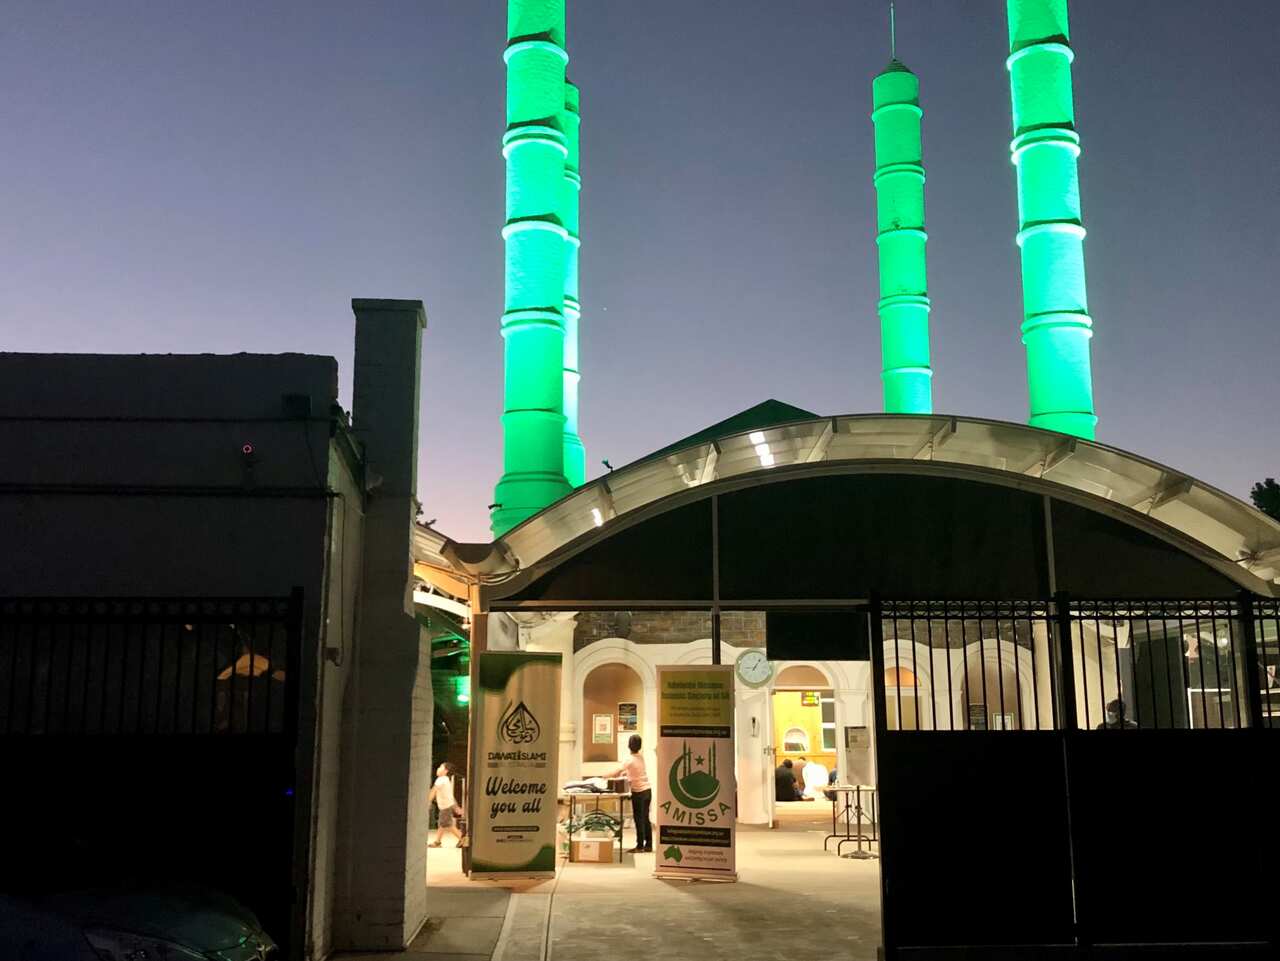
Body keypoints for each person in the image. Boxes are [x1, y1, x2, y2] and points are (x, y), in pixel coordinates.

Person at [603, 734, 652, 853]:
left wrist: (604, 776)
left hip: (639, 793)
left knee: (639, 820)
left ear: (629, 745)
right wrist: (627, 774)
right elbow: (636, 771)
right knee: (645, 819)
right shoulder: (640, 757)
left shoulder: (629, 759)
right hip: (647, 791)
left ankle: (640, 846)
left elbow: (616, 772)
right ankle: (648, 845)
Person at [428, 761, 463, 847]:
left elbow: (434, 790)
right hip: (447, 806)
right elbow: (450, 795)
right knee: (442, 824)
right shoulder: (446, 780)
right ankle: (437, 842)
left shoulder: (441, 780)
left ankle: (462, 838)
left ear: (446, 771)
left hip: (445, 807)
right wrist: (456, 807)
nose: (438, 769)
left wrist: (428, 801)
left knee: (448, 825)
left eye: (440, 767)